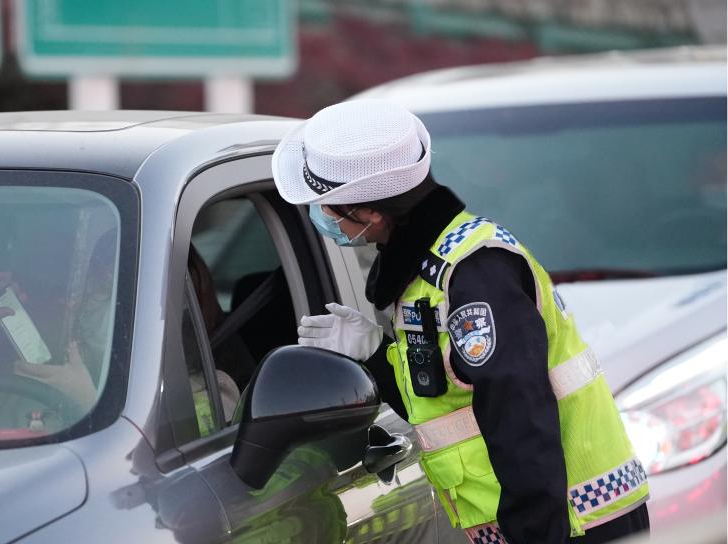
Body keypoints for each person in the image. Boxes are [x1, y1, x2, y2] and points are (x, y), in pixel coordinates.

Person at [271, 99, 650, 544]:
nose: (322, 217)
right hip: (541, 521)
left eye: (327, 207)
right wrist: (376, 354)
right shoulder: (426, 270)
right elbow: (446, 402)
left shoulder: (474, 273)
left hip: (575, 520)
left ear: (371, 213)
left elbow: (519, 416)